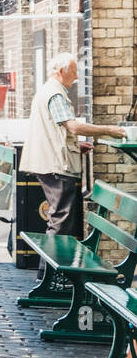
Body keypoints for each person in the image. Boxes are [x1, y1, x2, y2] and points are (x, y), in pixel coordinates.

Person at [20, 52, 125, 239]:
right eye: (74, 72)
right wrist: (110, 130)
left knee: (58, 217)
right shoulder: (56, 93)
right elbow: (74, 127)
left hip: (49, 162)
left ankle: (50, 268)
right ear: (61, 71)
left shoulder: (48, 90)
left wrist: (76, 146)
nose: (76, 77)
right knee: (61, 219)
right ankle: (51, 268)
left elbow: (54, 130)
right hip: (56, 166)